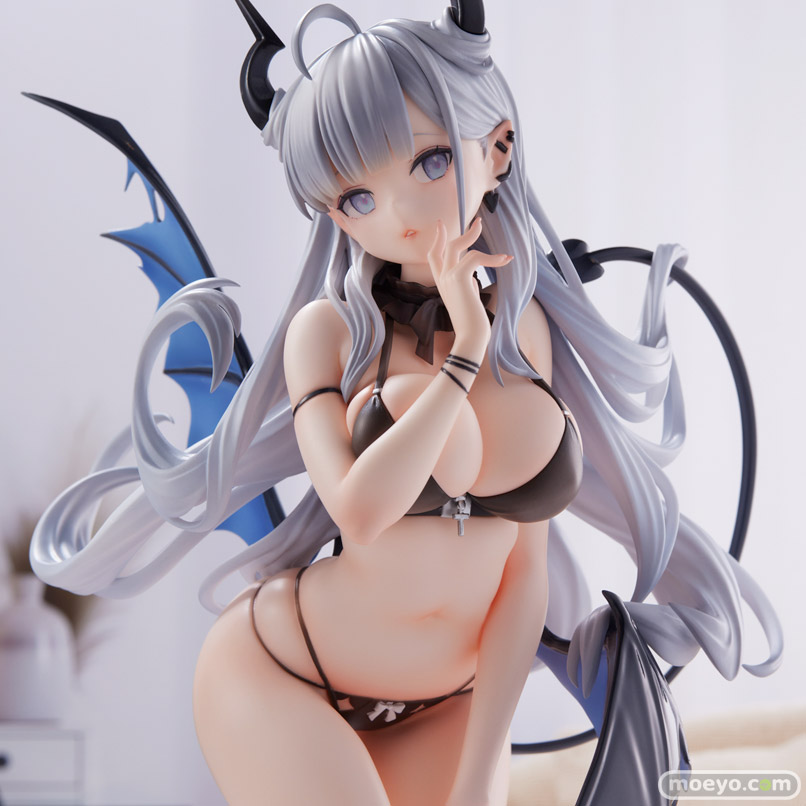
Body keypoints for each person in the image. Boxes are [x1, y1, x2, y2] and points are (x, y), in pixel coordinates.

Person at [31, 2, 782, 804]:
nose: (398, 213)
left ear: (498, 147)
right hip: (287, 673)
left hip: (446, 703)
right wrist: (461, 354)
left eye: (429, 161)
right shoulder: (327, 335)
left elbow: (522, 574)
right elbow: (359, 512)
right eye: (357, 196)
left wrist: (483, 764)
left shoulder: (528, 328)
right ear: (331, 211)